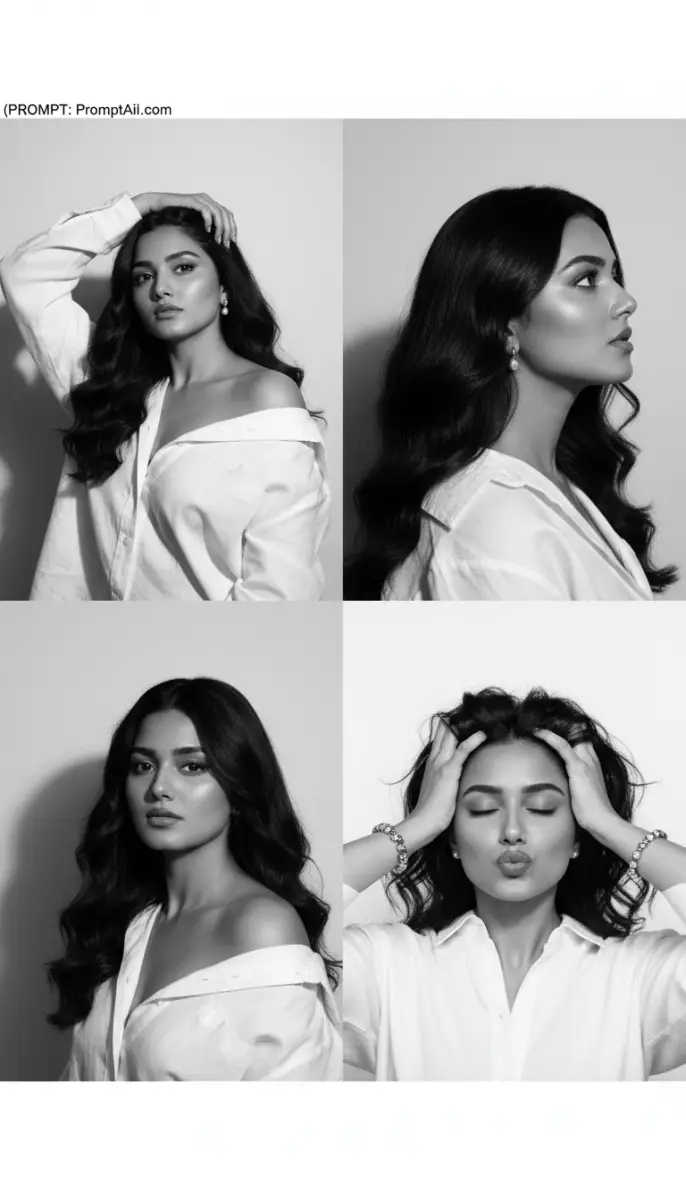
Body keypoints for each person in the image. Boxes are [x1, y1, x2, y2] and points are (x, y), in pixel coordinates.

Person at [345, 186, 677, 601]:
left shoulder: (554, 486)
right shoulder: (497, 529)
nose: (626, 301)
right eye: (586, 279)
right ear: (504, 325)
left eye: (615, 276)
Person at [0, 191, 329, 600]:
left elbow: (281, 591)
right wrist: (141, 205)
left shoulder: (267, 398)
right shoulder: (105, 385)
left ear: (224, 287)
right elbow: (23, 274)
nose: (161, 289)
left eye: (184, 268)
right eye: (144, 276)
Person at [343, 687, 686, 1079]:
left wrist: (608, 824)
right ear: (451, 834)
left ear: (578, 834)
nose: (511, 831)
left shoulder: (637, 976)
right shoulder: (385, 967)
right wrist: (417, 826)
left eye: (541, 808)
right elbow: (297, 930)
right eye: (482, 809)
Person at [48, 677, 341, 1080]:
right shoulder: (128, 921)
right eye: (143, 766)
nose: (159, 787)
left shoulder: (261, 927)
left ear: (239, 789)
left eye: (192, 766)